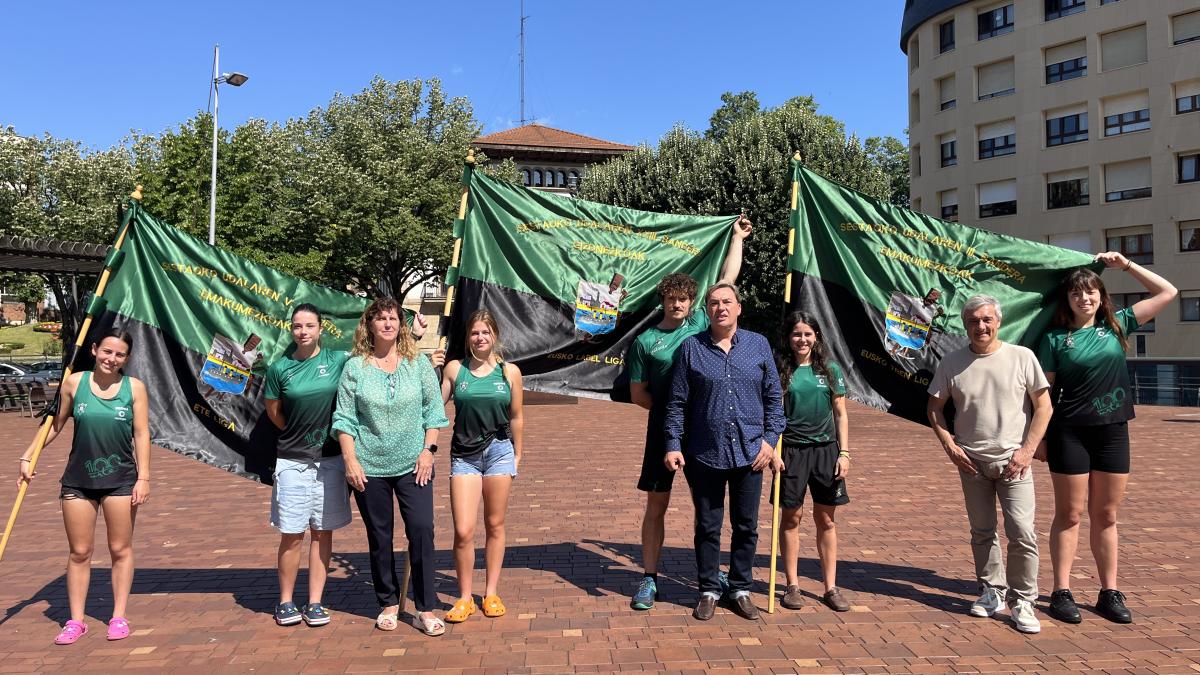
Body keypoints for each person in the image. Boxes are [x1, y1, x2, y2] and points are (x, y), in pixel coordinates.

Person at [1036, 253, 1177, 625]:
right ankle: (1061, 591)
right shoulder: (1054, 339)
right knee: (1069, 514)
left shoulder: (1119, 326)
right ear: (1067, 300)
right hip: (1069, 433)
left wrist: (1126, 265)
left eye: (1092, 292)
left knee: (1107, 514)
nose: (1085, 299)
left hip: (1113, 432)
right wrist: (1039, 439)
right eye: (1077, 294)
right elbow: (1043, 395)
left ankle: (1108, 592)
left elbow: (1168, 291)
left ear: (1101, 296)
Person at [626, 215, 752, 611]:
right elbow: (638, 393)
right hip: (665, 432)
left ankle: (714, 578)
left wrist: (737, 239)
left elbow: (728, 281)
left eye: (684, 299)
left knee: (708, 509)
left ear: (691, 302)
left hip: (704, 435)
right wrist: (668, 418)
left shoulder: (700, 322)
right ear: (662, 301)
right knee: (656, 505)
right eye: (671, 299)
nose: (678, 305)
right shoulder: (646, 341)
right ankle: (649, 579)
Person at [927, 295, 1052, 634]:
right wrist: (950, 446)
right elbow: (934, 408)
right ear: (965, 325)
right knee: (982, 533)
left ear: (998, 321)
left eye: (986, 319)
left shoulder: (1021, 357)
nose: (980, 326)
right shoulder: (952, 362)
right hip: (972, 464)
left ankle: (1023, 599)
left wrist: (1027, 451)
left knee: (1023, 533)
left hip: (1015, 463)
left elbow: (1044, 407)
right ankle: (991, 591)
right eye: (973, 321)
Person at [17, 329, 150, 645]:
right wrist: (29, 455)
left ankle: (118, 616)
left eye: (119, 354)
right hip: (78, 480)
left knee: (120, 549)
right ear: (94, 349)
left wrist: (144, 477)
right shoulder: (74, 383)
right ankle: (75, 621)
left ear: (127, 358)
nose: (111, 358)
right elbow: (55, 424)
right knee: (80, 552)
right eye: (106, 351)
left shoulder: (135, 388)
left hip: (120, 480)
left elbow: (142, 434)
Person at [663, 282, 785, 621]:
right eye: (714, 303)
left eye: (727, 302)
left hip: (751, 453)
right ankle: (708, 589)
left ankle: (740, 587)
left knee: (746, 525)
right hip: (705, 452)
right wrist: (673, 444)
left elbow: (775, 400)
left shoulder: (758, 346)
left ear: (739, 307)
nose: (721, 308)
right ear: (708, 310)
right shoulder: (692, 349)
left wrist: (770, 440)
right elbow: (677, 403)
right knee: (708, 526)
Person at [332, 297, 449, 635]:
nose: (387, 323)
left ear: (400, 324)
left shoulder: (418, 364)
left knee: (422, 530)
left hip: (415, 464)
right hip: (369, 466)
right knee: (380, 536)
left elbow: (433, 411)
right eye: (380, 318)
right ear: (369, 324)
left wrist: (428, 451)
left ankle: (426, 607)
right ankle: (388, 601)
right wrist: (350, 459)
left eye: (393, 318)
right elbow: (345, 417)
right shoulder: (355, 367)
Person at [262, 304, 353, 628]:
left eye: (309, 325)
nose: (303, 331)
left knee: (321, 533)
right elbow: (274, 412)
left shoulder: (338, 361)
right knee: (291, 534)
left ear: (320, 329)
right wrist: (296, 435)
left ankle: (315, 602)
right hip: (292, 461)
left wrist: (414, 335)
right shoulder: (279, 368)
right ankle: (285, 601)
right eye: (297, 326)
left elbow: (375, 359)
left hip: (330, 461)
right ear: (291, 330)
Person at [440, 310, 524, 622]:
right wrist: (431, 370)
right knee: (463, 530)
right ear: (468, 337)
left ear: (495, 336)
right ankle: (464, 598)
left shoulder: (509, 372)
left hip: (499, 451)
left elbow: (516, 415)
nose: (480, 338)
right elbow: (435, 407)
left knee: (495, 525)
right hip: (464, 456)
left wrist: (518, 453)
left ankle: (490, 592)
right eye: (475, 333)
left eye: (485, 333)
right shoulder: (454, 369)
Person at [773, 311, 853, 613]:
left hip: (826, 452)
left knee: (826, 519)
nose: (802, 339)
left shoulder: (829, 369)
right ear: (789, 338)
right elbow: (773, 413)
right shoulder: (782, 370)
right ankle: (792, 585)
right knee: (791, 518)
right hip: (792, 452)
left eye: (807, 334)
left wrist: (844, 453)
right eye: (796, 334)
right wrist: (774, 451)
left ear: (816, 336)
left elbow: (841, 413)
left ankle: (830, 587)